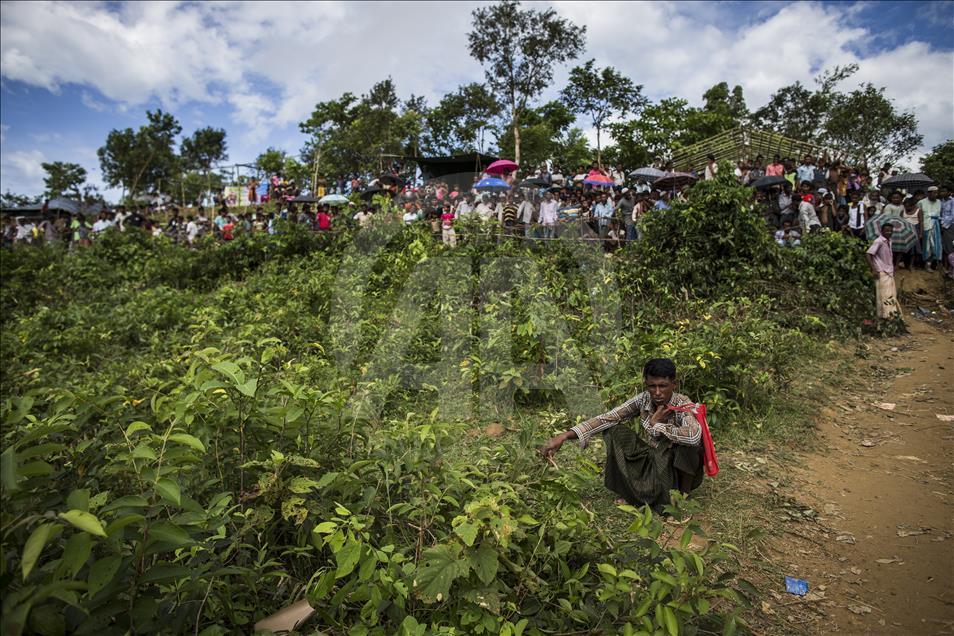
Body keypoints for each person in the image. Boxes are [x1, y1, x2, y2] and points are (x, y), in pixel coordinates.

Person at [539, 358, 704, 510]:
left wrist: (657, 425)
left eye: (663, 386)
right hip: (653, 459)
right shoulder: (643, 399)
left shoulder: (684, 405)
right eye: (652, 386)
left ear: (674, 384)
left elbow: (694, 436)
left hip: (673, 466)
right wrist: (565, 435)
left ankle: (682, 498)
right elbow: (608, 418)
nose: (657, 392)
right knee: (614, 430)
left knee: (690, 447)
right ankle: (635, 493)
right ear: (646, 384)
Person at [865, 222, 900, 320]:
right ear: (882, 231)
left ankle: (887, 316)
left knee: (890, 294)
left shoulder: (889, 241)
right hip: (882, 271)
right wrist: (873, 269)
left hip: (889, 271)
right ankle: (887, 316)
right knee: (885, 295)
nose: (889, 232)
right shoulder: (879, 241)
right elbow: (868, 254)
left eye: (890, 231)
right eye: (887, 231)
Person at [918, 186, 943, 271]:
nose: (936, 194)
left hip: (936, 226)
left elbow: (940, 214)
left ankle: (933, 264)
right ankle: (927, 264)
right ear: (929, 193)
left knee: (936, 246)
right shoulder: (921, 202)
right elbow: (920, 216)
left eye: (937, 192)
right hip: (926, 226)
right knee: (927, 246)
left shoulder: (939, 202)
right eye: (934, 192)